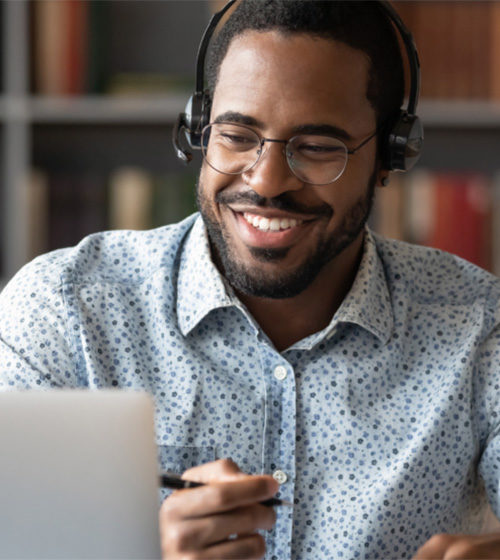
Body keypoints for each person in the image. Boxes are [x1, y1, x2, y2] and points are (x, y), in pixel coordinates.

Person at [1, 1, 500, 558]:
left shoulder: (477, 328)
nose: (266, 181)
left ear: (390, 156)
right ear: (199, 133)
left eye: (316, 148)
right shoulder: (63, 310)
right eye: (237, 135)